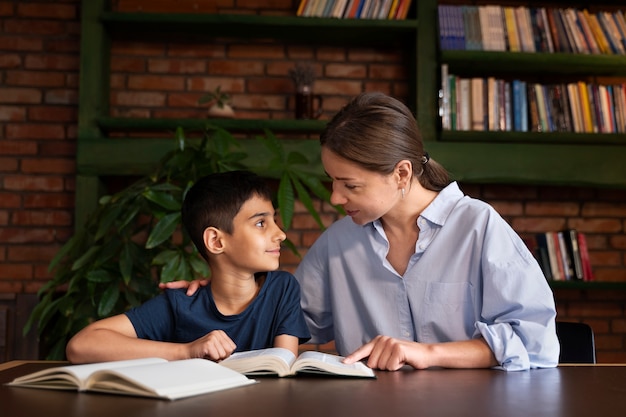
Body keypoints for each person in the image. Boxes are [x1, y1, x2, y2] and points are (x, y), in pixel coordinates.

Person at [163, 92, 560, 372]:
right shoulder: (340, 242)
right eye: (332, 181)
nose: (335, 197)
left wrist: (428, 353)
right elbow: (282, 324)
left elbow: (535, 343)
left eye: (350, 185)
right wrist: (226, 283)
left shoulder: (478, 225)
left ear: (401, 173)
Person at [65, 170, 310, 364]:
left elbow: (283, 369)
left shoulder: (282, 289)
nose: (280, 234)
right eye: (260, 223)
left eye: (274, 220)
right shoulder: (182, 304)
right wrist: (187, 351)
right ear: (216, 241)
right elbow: (81, 345)